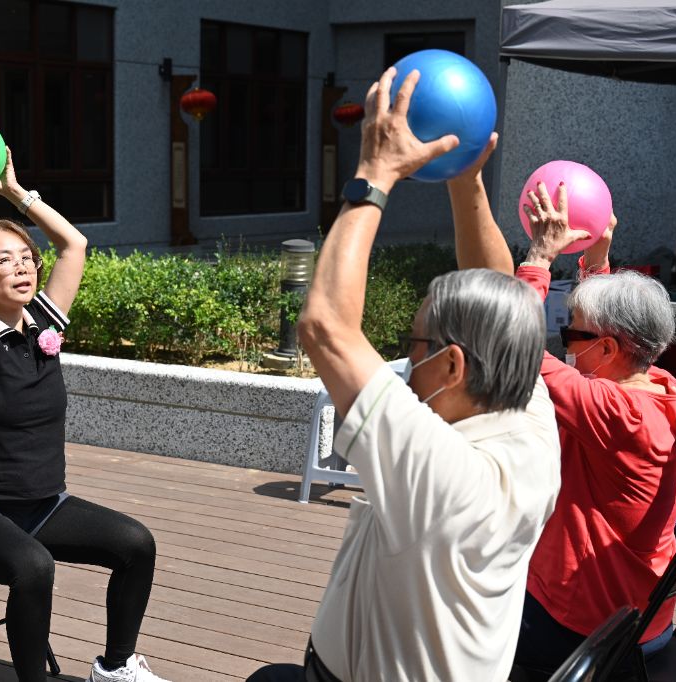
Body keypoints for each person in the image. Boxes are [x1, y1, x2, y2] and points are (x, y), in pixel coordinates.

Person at [246, 66, 561, 682]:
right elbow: (502, 292)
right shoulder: (524, 414)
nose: (404, 359)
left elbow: (325, 328)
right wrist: (464, 179)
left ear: (452, 364)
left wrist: (376, 174)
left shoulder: (448, 472)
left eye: (412, 344)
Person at [0, 137, 167, 682]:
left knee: (136, 544)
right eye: (1, 260)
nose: (21, 266)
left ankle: (116, 665)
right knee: (34, 565)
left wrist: (14, 192)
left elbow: (75, 245)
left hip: (40, 504)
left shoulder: (44, 328)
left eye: (26, 256)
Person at [491, 183, 676, 676]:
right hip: (644, 618)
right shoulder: (663, 387)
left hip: (585, 628)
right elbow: (605, 333)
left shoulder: (611, 411)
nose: (563, 344)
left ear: (608, 349)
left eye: (569, 333)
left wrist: (538, 256)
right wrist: (597, 257)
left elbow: (507, 343)